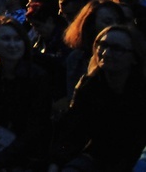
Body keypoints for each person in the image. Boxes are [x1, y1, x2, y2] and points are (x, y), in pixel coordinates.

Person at [50, 25, 146, 171]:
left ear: (134, 57)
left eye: (117, 49)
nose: (106, 53)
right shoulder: (89, 86)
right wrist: (56, 162)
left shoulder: (141, 91)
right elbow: (73, 131)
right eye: (102, 45)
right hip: (97, 158)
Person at [0, 17, 52, 171]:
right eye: (6, 39)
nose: (12, 45)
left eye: (17, 39)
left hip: (22, 156)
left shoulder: (37, 77)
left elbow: (34, 130)